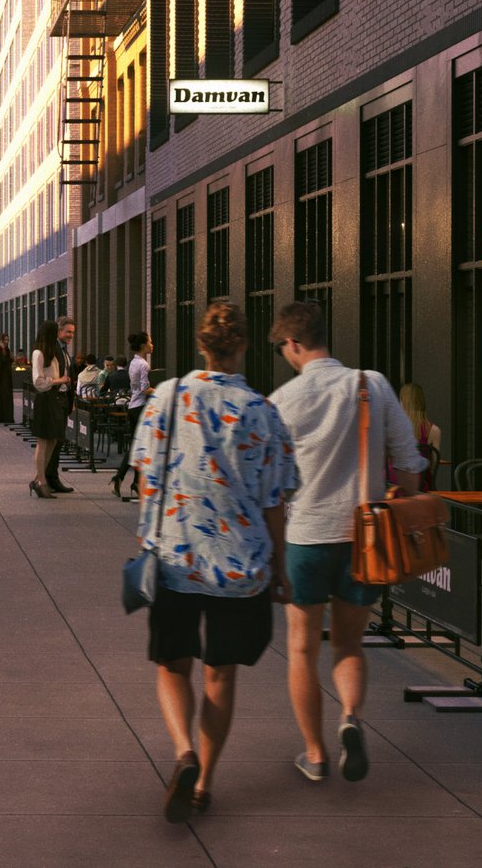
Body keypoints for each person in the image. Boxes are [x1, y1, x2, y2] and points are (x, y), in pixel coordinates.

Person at [133, 302, 296, 821]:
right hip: (240, 565)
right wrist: (282, 568)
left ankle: (183, 750)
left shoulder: (167, 395)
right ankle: (203, 782)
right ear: (244, 345)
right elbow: (275, 502)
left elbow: (145, 479)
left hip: (177, 556)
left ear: (200, 344)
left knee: (172, 664)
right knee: (221, 676)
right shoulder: (263, 412)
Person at [270, 300, 425, 786]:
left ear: (293, 344)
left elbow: (272, 482)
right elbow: (410, 459)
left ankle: (315, 754)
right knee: (350, 642)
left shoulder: (282, 401)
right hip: (365, 538)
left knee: (300, 649)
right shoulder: (371, 384)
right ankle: (351, 718)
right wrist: (405, 505)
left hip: (307, 537)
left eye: (282, 348)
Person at [27, 319, 68, 499]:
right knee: (43, 441)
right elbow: (38, 381)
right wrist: (59, 381)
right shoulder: (39, 353)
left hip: (54, 398)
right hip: (45, 398)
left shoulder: (51, 352)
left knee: (52, 440)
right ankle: (42, 481)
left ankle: (38, 478)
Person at [111, 331, 154, 501]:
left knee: (139, 445)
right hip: (141, 407)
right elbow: (145, 389)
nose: (152, 345)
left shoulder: (133, 363)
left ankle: (135, 482)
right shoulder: (143, 365)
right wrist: (161, 392)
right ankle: (121, 477)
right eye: (150, 342)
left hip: (132, 406)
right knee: (139, 446)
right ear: (143, 345)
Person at [43, 316, 78, 493]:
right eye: (68, 332)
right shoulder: (53, 349)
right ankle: (50, 478)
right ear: (59, 331)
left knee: (59, 439)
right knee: (55, 440)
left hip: (64, 400)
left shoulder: (64, 350)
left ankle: (50, 476)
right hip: (55, 399)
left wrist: (72, 401)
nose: (71, 335)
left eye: (72, 332)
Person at [398, 383, 440, 490]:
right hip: (421, 485)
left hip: (395, 484)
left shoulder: (394, 427)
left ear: (403, 402)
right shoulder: (433, 430)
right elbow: (434, 464)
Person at [0, 333, 15, 424]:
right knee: (0, 397)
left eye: (7, 340)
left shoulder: (8, 351)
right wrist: (3, 350)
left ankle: (8, 417)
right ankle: (0, 417)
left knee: (7, 396)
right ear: (0, 341)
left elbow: (9, 361)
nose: (6, 342)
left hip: (7, 377)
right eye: (5, 340)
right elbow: (1, 360)